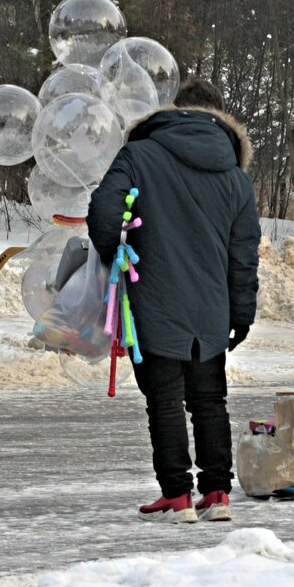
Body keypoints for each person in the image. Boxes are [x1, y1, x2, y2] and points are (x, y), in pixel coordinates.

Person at [87, 76, 259, 523]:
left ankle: (178, 495)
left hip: (154, 297)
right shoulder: (236, 178)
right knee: (209, 399)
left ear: (174, 109)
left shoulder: (139, 155)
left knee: (163, 399)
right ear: (222, 117)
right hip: (211, 308)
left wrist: (114, 254)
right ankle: (218, 492)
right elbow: (243, 255)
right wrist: (242, 312)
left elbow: (105, 210)